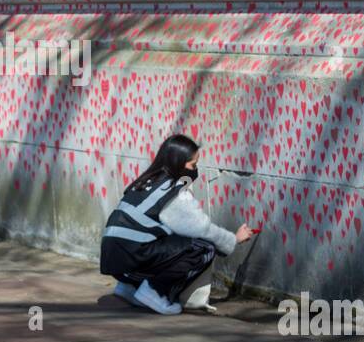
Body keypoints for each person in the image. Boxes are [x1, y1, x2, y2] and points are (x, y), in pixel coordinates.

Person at [100, 134, 256, 315]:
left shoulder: (148, 181)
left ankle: (129, 287)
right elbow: (201, 228)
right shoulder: (173, 191)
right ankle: (155, 292)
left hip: (113, 255)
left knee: (169, 237)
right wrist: (233, 239)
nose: (195, 170)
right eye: (193, 165)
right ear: (178, 162)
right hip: (133, 253)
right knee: (203, 248)